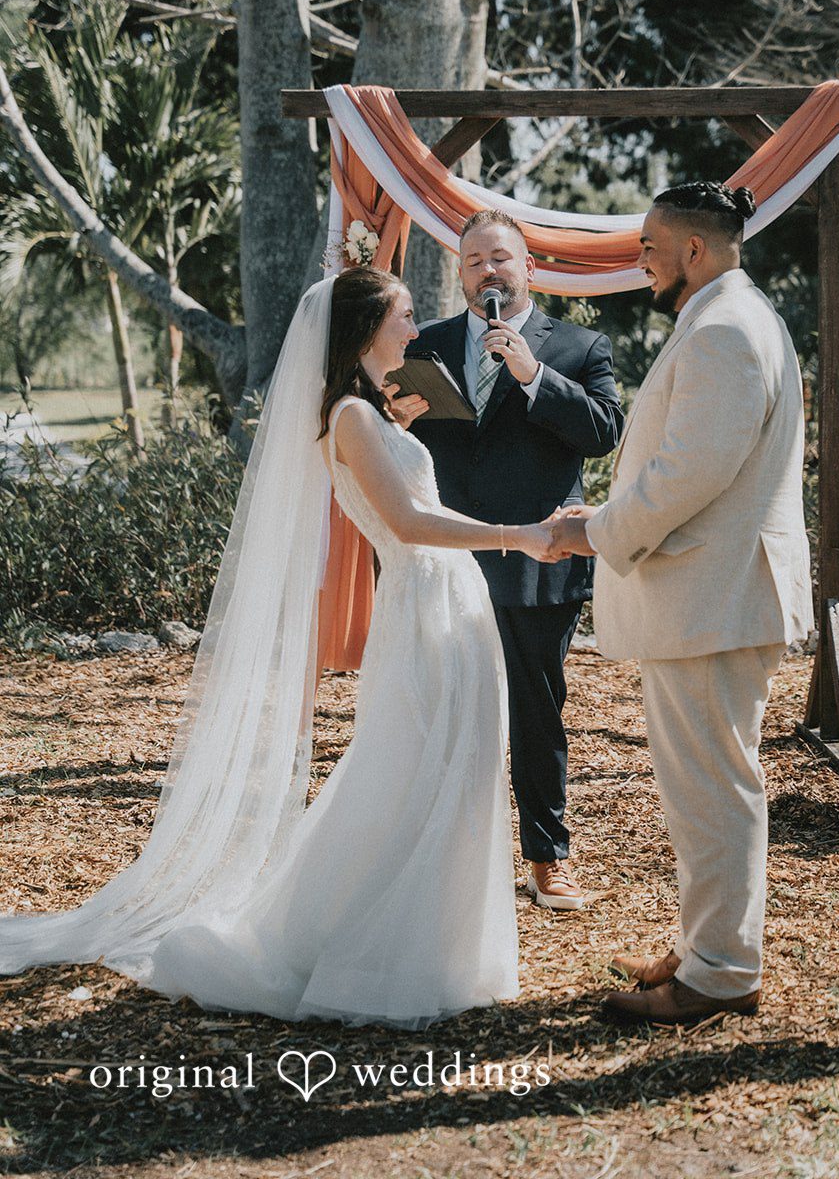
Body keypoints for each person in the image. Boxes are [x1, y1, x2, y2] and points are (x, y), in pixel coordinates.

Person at [0, 266, 559, 1029]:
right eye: (400, 315)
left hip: (445, 598)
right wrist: (518, 537)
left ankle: (442, 943)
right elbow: (406, 525)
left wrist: (406, 423)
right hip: (425, 597)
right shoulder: (354, 420)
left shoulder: (371, 413)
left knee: (450, 766)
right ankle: (369, 944)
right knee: (410, 765)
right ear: (364, 329)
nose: (412, 327)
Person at [549, 182, 813, 1027]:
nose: (642, 259)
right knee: (708, 784)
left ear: (694, 249)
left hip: (715, 596)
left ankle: (721, 975)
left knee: (711, 788)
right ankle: (708, 947)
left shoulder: (726, 330)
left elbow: (686, 476)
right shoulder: (731, 318)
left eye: (650, 246)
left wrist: (595, 531)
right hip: (715, 593)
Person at [406, 211, 623, 911]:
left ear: (529, 268)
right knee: (442, 709)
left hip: (540, 559)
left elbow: (602, 434)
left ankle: (546, 857)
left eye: (500, 258)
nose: (487, 271)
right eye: (472, 261)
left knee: (536, 713)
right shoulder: (425, 344)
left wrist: (532, 377)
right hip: (451, 555)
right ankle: (441, 856)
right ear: (461, 273)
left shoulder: (579, 346)